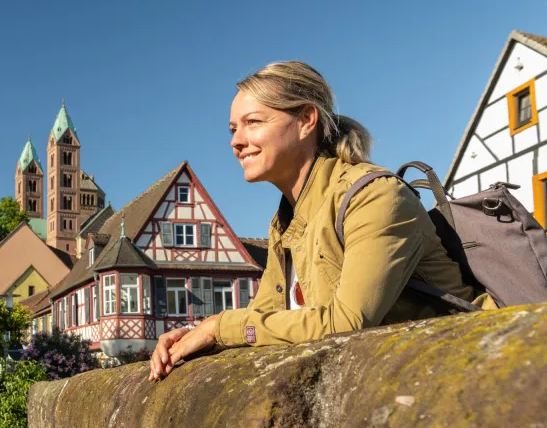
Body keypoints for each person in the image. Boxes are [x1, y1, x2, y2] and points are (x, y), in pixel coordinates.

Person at [149, 60, 487, 382]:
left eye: (253, 122)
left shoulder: (374, 196)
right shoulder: (285, 223)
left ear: (307, 120)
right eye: (233, 129)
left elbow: (347, 323)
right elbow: (264, 319)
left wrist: (219, 328)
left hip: (472, 371)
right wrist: (197, 335)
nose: (236, 141)